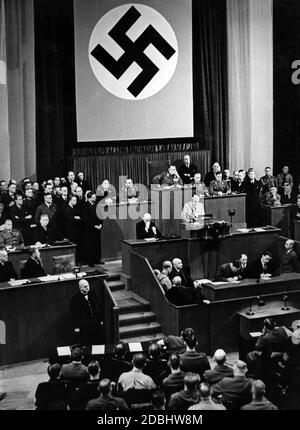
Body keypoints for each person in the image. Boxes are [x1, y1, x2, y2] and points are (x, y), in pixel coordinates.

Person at [70, 279, 103, 345]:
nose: (87, 288)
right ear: (80, 288)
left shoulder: (92, 294)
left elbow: (98, 307)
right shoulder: (75, 298)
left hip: (95, 322)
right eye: (85, 286)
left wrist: (101, 319)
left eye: (88, 286)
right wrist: (76, 326)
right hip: (84, 325)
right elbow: (74, 314)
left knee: (97, 341)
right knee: (87, 342)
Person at [81, 191, 103, 266]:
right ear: (89, 198)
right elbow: (85, 219)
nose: (95, 198)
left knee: (97, 245)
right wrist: (94, 225)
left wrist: (100, 224)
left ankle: (97, 259)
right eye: (93, 197)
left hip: (98, 229)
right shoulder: (85, 206)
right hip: (90, 230)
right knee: (90, 245)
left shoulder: (96, 205)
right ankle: (91, 261)